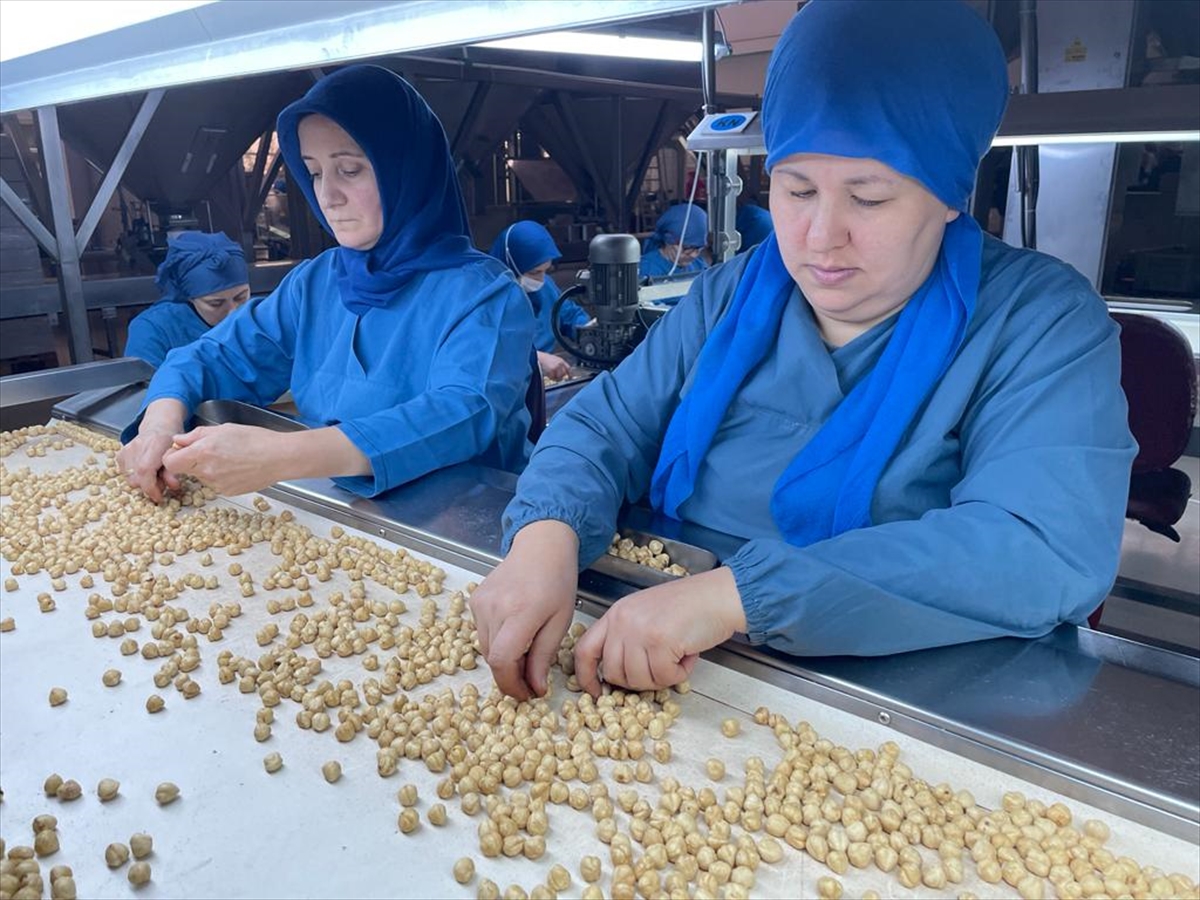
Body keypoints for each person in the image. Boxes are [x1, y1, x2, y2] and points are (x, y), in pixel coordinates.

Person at [469, 0, 1137, 701]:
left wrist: (734, 599)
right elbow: (606, 425)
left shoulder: (1039, 323)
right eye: (796, 188)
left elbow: (1036, 547)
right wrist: (546, 533)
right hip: (658, 647)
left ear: (948, 197)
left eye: (869, 198)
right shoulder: (734, 294)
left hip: (892, 696)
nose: (820, 237)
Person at [117, 65, 535, 502]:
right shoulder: (316, 283)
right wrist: (160, 422)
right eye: (314, 173)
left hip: (471, 523)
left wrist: (287, 455)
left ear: (405, 171)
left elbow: (461, 415)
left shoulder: (485, 295)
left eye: (350, 170)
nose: (328, 196)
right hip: (357, 515)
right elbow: (214, 355)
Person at [123, 231, 250, 367]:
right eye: (216, 304)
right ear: (189, 298)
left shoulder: (259, 318)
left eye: (241, 298)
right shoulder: (153, 329)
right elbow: (142, 384)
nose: (233, 312)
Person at [490, 221, 589, 382]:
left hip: (545, 380)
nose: (541, 279)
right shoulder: (488, 297)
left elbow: (568, 314)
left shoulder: (546, 287)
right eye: (534, 272)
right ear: (512, 264)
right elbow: (489, 347)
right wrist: (537, 359)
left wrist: (589, 330)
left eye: (546, 270)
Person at [638, 204, 709, 279]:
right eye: (687, 248)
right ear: (669, 240)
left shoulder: (699, 264)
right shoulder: (648, 269)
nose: (694, 255)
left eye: (699, 248)